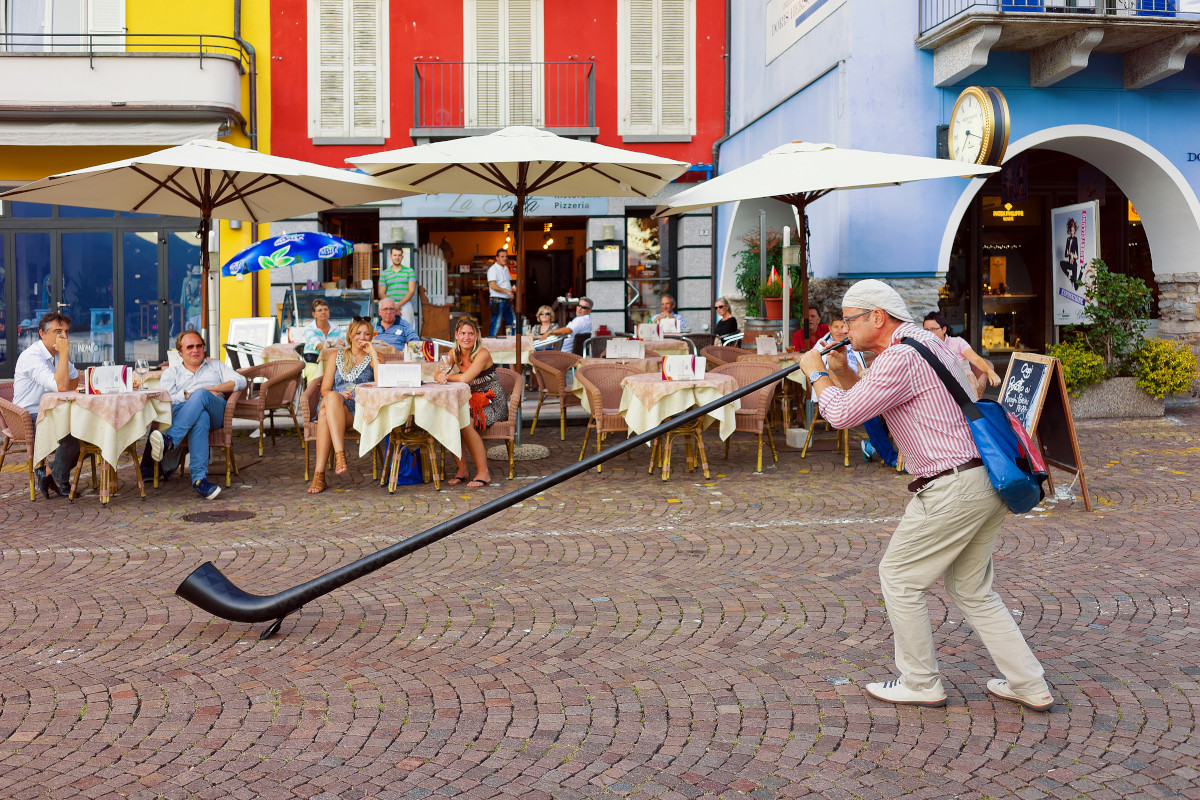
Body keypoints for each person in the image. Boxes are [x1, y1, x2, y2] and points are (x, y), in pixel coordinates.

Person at [798, 279, 1053, 711]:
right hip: (985, 480)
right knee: (972, 589)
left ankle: (920, 681)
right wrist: (841, 369)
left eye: (848, 321)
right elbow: (873, 396)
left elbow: (841, 413)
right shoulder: (925, 344)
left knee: (899, 578)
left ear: (876, 317)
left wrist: (817, 373)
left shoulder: (899, 356)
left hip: (951, 484)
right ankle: (1030, 684)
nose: (842, 331)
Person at [150, 330, 248, 500]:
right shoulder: (171, 373)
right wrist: (189, 395)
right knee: (200, 417)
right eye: (189, 347)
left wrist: (213, 389)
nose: (195, 350)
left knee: (202, 395)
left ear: (203, 348)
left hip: (217, 412)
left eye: (198, 346)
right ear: (180, 352)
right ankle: (199, 481)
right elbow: (167, 399)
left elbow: (240, 381)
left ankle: (170, 440)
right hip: (186, 414)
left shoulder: (216, 366)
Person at [307, 318, 380, 494]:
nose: (362, 337)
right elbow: (324, 389)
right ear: (350, 335)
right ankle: (339, 455)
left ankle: (319, 476)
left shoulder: (373, 358)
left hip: (357, 410)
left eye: (366, 334)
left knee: (324, 415)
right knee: (331, 398)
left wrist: (374, 354)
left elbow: (381, 384)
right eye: (358, 333)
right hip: (334, 404)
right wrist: (339, 395)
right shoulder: (335, 356)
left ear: (371, 336)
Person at [13, 312, 81, 498]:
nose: (63, 337)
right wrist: (65, 352)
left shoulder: (58, 355)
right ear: (42, 334)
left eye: (66, 332)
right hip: (28, 415)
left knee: (91, 432)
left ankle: (51, 473)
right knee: (74, 433)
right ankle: (59, 478)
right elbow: (62, 386)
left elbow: (72, 383)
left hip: (54, 412)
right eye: (57, 331)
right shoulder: (32, 357)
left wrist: (64, 358)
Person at [436, 316, 507, 488]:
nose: (466, 338)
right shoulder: (455, 353)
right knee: (452, 419)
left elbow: (466, 377)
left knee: (466, 423)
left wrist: (447, 377)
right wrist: (439, 375)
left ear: (476, 336)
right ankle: (462, 470)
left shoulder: (482, 354)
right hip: (472, 403)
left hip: (492, 402)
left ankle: (484, 473)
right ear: (456, 335)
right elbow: (438, 371)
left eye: (470, 334)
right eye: (463, 333)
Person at [923, 311, 1001, 400]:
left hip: (963, 388)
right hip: (938, 390)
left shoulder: (957, 342)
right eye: (926, 330)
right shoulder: (924, 347)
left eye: (933, 329)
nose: (929, 333)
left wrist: (990, 371)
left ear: (944, 329)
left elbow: (975, 359)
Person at [302, 298, 344, 381]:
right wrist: (335, 343)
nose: (323, 312)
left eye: (326, 309)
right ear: (314, 314)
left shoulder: (336, 328)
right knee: (314, 373)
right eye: (320, 310)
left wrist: (336, 343)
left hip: (333, 362)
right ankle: (313, 394)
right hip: (313, 362)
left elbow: (344, 344)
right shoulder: (309, 329)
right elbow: (318, 345)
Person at [378, 245, 418, 326]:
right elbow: (381, 293)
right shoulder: (384, 273)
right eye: (395, 255)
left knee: (408, 330)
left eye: (399, 255)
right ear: (390, 256)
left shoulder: (410, 271)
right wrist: (392, 306)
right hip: (389, 307)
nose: (397, 257)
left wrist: (397, 305)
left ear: (402, 257)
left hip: (405, 305)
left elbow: (411, 291)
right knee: (390, 330)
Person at [487, 248, 517, 336]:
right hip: (497, 300)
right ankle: (490, 346)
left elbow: (505, 284)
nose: (505, 258)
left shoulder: (506, 269)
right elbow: (493, 286)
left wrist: (511, 289)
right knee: (496, 325)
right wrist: (507, 291)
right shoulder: (493, 269)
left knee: (513, 324)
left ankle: (514, 345)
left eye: (506, 256)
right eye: (502, 256)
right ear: (497, 258)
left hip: (506, 301)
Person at [1058, 217, 1081, 290]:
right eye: (1071, 231)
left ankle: (1080, 273)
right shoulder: (1068, 240)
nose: (1072, 232)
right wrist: (1069, 254)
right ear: (1069, 231)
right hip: (1069, 263)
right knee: (1061, 263)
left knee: (1075, 287)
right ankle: (1069, 277)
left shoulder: (1076, 239)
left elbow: (1077, 256)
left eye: (1073, 230)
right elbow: (1065, 254)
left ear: (1075, 230)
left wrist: (1072, 255)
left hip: (1074, 264)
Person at [180, 265, 202, 333]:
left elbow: (183, 299)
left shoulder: (186, 280)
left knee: (190, 334)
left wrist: (182, 308)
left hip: (191, 311)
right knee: (200, 335)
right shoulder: (203, 280)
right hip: (201, 311)